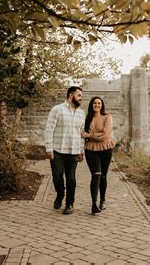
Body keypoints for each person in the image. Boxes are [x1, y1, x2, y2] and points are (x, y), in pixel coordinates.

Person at [44, 86, 85, 215]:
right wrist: (49, 148)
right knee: (57, 177)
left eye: (81, 96)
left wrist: (81, 151)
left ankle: (69, 204)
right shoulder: (57, 110)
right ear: (71, 95)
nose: (81, 98)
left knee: (71, 179)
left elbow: (81, 134)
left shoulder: (81, 113)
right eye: (79, 95)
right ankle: (60, 193)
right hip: (57, 151)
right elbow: (49, 129)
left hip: (73, 151)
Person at [81, 96, 115, 214]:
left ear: (102, 105)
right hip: (91, 150)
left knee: (103, 176)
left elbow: (105, 135)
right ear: (91, 105)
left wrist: (89, 135)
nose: (97, 105)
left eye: (99, 103)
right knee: (96, 175)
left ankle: (102, 200)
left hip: (106, 149)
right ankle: (94, 204)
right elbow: (82, 135)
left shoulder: (107, 117)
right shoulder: (87, 119)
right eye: (94, 103)